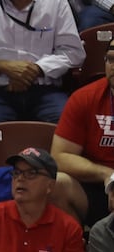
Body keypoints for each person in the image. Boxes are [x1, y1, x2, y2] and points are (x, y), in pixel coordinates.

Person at [0, 0, 82, 128]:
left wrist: (37, 69)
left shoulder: (57, 3)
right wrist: (2, 67)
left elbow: (72, 52)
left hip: (45, 90)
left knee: (69, 129)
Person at [51, 47, 114, 224]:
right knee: (56, 183)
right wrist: (108, 175)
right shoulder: (84, 97)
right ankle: (75, 248)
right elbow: (59, 157)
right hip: (96, 184)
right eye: (110, 59)